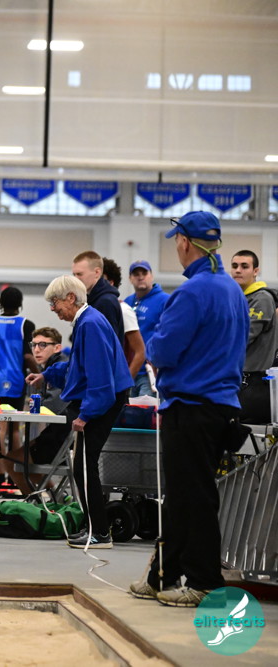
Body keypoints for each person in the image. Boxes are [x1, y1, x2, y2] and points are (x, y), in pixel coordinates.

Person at [129, 211, 247, 607]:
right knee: (182, 495)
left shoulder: (192, 292)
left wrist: (152, 345)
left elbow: (163, 350)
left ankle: (205, 582)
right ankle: (161, 575)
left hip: (192, 405)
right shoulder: (231, 290)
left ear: (183, 243)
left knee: (193, 497)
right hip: (220, 405)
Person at [26, 275, 132, 549]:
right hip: (104, 398)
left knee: (85, 468)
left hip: (104, 400)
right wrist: (46, 375)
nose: (53, 308)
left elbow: (99, 377)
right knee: (83, 467)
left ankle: (99, 533)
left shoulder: (90, 324)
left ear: (71, 298)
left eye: (55, 302)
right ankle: (95, 528)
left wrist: (86, 414)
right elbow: (77, 366)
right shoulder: (87, 322)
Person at [0, 287, 38, 488]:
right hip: (17, 381)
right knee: (14, 430)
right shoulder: (26, 325)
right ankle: (14, 479)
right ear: (20, 303)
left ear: (1, 303)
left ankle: (0, 480)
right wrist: (40, 375)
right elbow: (28, 357)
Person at [8, 327, 69, 495]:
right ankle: (56, 496)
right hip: (58, 434)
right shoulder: (47, 368)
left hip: (64, 439)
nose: (36, 350)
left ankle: (35, 503)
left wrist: (36, 403)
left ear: (57, 347)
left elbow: (53, 406)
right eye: (33, 345)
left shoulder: (59, 368)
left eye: (42, 345)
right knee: (16, 456)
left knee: (11, 460)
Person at [229, 249, 278, 424]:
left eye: (244, 266)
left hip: (254, 384)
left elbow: (242, 337)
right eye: (235, 266)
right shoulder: (238, 299)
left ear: (255, 271)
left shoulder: (261, 298)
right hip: (238, 380)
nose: (238, 270)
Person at [123, 261, 169, 396]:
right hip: (130, 371)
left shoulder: (165, 301)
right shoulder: (127, 302)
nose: (140, 277)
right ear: (130, 279)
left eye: (144, 273)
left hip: (150, 373)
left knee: (146, 409)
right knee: (126, 409)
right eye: (136, 274)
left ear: (151, 276)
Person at [102, 258, 148, 389]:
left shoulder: (123, 309)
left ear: (110, 283)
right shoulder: (96, 309)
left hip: (140, 376)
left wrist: (124, 384)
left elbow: (140, 351)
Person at [71, 251, 125, 346]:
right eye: (74, 275)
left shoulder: (106, 302)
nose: (75, 279)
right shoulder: (91, 300)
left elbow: (106, 345)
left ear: (97, 272)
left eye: (80, 274)